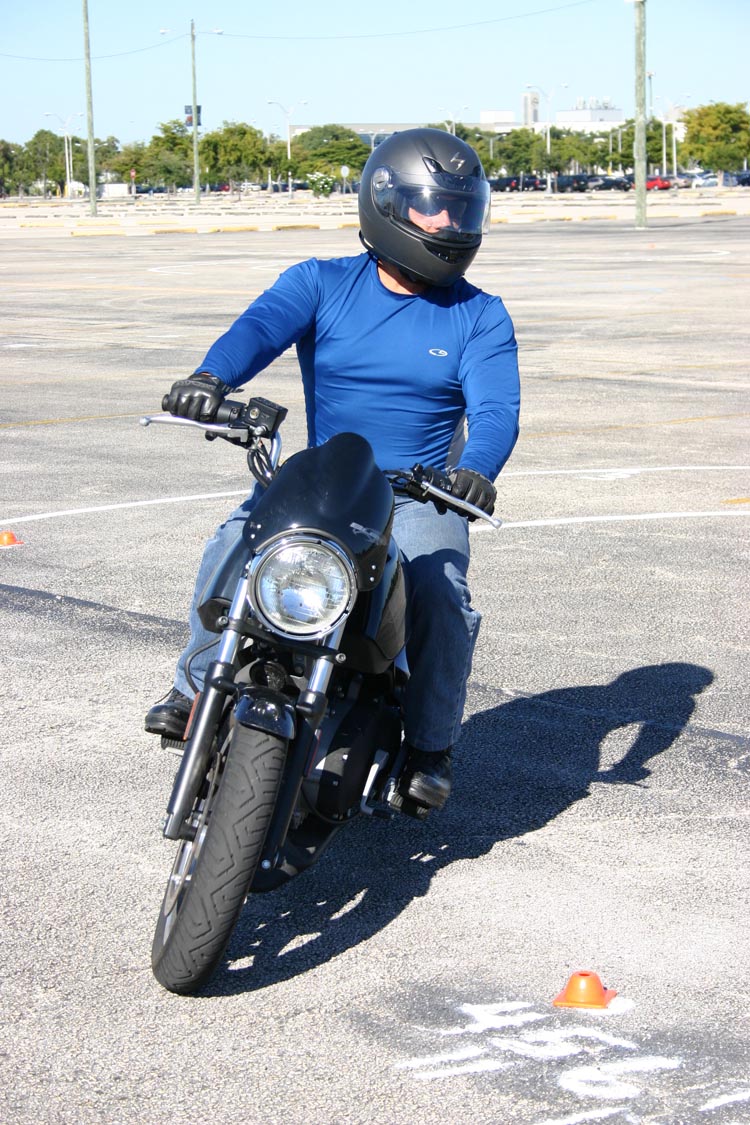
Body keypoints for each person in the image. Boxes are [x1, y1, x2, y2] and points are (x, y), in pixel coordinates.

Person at [145, 127, 520, 811]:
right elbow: (260, 327)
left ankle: (430, 747)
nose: (448, 223)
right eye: (433, 207)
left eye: (461, 210)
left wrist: (477, 470)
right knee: (231, 543)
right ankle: (193, 685)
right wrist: (210, 377)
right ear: (385, 203)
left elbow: (496, 410)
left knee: (440, 593)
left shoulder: (481, 315)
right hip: (327, 477)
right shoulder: (320, 281)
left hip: (421, 494)